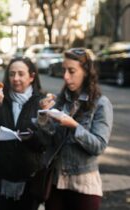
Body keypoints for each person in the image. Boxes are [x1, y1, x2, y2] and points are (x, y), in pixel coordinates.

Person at [38, 48, 113, 210]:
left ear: (86, 72)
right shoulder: (62, 100)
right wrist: (44, 116)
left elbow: (98, 146)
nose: (65, 77)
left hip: (83, 184)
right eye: (64, 70)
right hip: (56, 182)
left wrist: (74, 126)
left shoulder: (101, 103)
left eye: (71, 71)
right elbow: (47, 140)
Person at [0, 57, 47, 210]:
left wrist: (31, 137)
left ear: (31, 77)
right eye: (12, 74)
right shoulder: (0, 98)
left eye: (20, 74)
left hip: (30, 178)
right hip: (1, 174)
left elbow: (45, 142)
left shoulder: (41, 102)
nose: (15, 79)